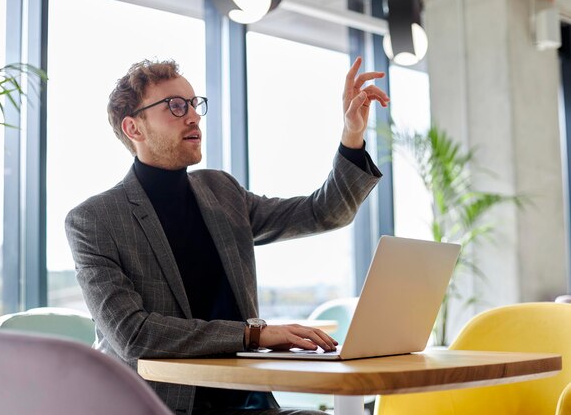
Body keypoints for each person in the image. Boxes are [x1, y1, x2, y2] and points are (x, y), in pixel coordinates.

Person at [65, 56, 389, 415]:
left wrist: (352, 135)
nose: (192, 116)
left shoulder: (221, 190)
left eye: (193, 104)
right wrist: (254, 335)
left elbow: (323, 212)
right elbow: (133, 335)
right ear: (134, 128)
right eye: (174, 106)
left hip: (247, 400)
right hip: (159, 405)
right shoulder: (94, 220)